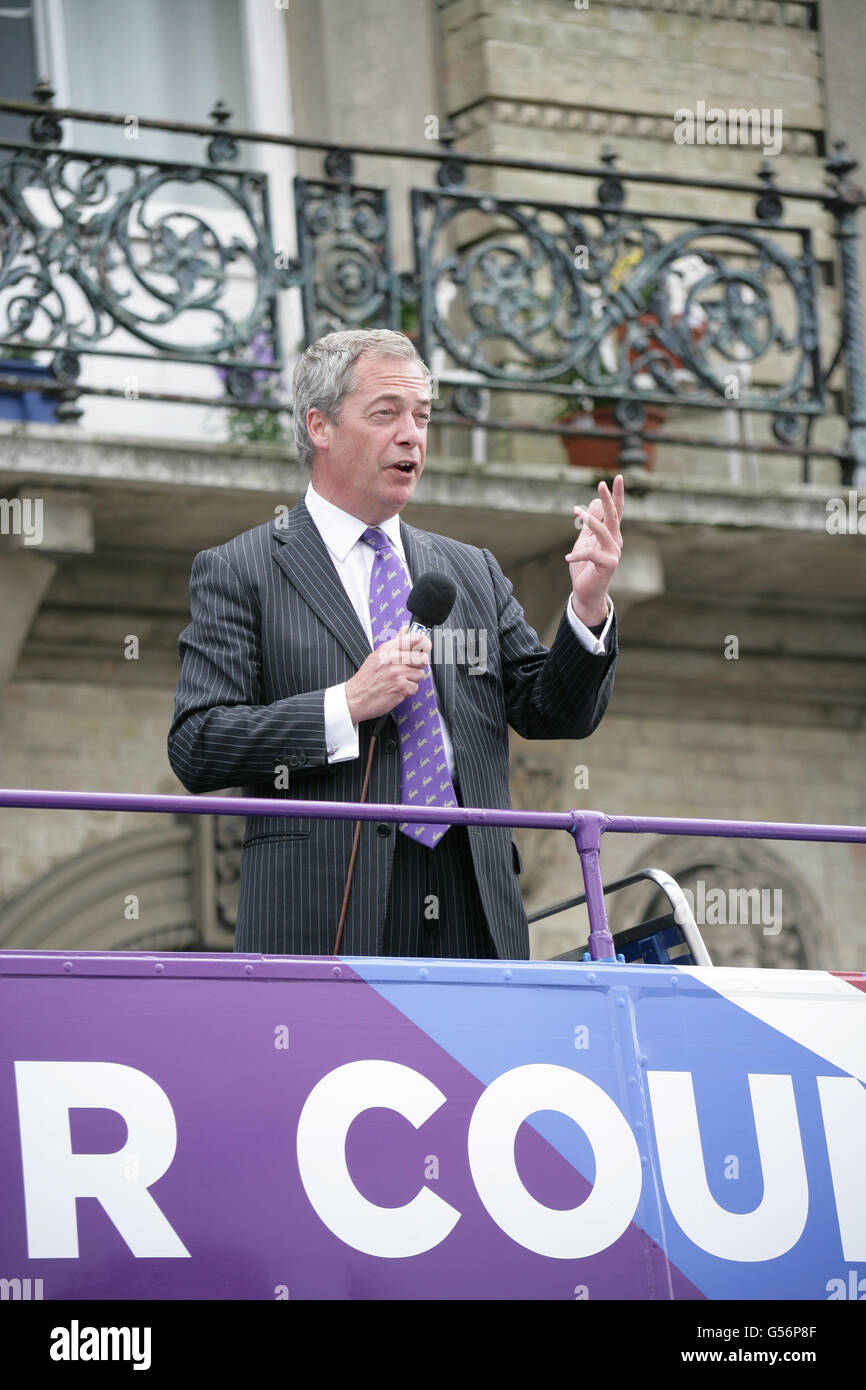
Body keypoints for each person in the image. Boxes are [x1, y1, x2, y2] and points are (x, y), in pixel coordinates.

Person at [168, 329, 624, 960]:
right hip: (328, 903)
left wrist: (589, 604)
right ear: (320, 427)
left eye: (422, 416)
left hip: (471, 894)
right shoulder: (241, 568)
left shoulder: (470, 570)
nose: (411, 434)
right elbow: (197, 743)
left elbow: (554, 711)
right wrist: (346, 704)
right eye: (386, 414)